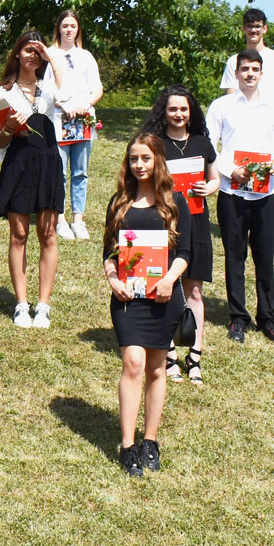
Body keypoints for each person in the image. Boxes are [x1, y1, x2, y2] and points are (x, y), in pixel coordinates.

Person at [100, 133, 192, 475]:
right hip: (126, 299)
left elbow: (185, 253)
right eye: (134, 159)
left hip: (164, 297)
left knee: (156, 368)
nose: (139, 165)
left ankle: (150, 441)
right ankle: (127, 445)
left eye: (146, 159)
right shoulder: (119, 203)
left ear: (158, 162)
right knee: (133, 363)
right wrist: (113, 280)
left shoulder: (175, 203)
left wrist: (169, 279)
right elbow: (109, 253)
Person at [205, 49, 274, 347]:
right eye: (245, 69)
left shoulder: (273, 108)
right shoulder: (221, 106)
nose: (250, 74)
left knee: (265, 257)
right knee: (235, 255)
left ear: (262, 74)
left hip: (266, 194)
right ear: (236, 73)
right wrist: (230, 170)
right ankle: (238, 317)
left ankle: (268, 319)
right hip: (232, 192)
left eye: (255, 69)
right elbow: (208, 146)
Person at [0, 31, 68, 330]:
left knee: (48, 235)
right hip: (18, 166)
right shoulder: (4, 92)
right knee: (19, 236)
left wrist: (53, 59)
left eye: (38, 51)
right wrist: (9, 127)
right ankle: (21, 304)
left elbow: (71, 97)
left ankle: (43, 306)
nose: (32, 56)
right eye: (28, 50)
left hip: (48, 164)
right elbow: (1, 144)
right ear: (17, 54)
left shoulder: (49, 88)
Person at [142, 85, 218, 386]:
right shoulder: (155, 144)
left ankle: (195, 357)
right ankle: (169, 354)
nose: (178, 114)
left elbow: (215, 179)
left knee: (195, 291)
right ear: (165, 111)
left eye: (183, 109)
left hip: (197, 221)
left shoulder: (202, 142)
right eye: (173, 109)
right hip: (165, 223)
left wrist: (207, 188)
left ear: (191, 112)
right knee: (167, 289)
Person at [219, 7, 274, 264]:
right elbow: (231, 96)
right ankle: (243, 229)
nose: (254, 30)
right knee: (240, 181)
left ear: (265, 29)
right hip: (241, 131)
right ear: (244, 29)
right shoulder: (234, 60)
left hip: (268, 130)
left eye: (258, 26)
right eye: (249, 25)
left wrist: (266, 118)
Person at [46, 9, 104, 242]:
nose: (69, 29)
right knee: (58, 172)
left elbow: (97, 88)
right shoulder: (50, 54)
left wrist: (84, 105)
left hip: (83, 120)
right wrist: (63, 104)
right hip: (59, 119)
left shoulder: (86, 56)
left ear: (78, 29)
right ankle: (59, 219)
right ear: (58, 28)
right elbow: (45, 87)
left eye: (73, 25)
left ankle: (78, 219)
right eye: (65, 25)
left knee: (80, 172)